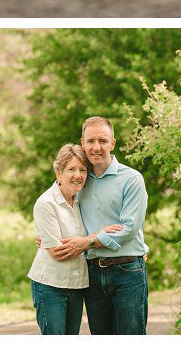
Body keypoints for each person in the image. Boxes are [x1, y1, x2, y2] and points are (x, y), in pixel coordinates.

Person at [76, 116, 150, 335]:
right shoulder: (78, 178)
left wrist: (89, 241)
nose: (96, 147)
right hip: (92, 275)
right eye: (90, 141)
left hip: (127, 271)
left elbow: (128, 230)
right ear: (82, 143)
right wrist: (48, 234)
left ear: (112, 143)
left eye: (103, 141)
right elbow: (57, 204)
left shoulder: (131, 179)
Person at [28, 145, 108, 334]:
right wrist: (96, 238)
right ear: (58, 172)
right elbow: (58, 252)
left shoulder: (83, 199)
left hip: (77, 285)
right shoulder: (46, 203)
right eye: (71, 169)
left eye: (82, 170)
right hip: (50, 286)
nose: (78, 175)